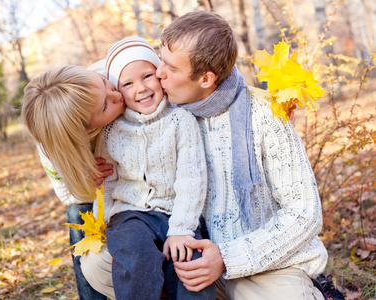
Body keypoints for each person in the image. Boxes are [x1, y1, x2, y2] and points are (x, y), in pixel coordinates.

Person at [153, 11, 329, 300]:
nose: (159, 73)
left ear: (206, 78)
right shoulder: (166, 113)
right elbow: (112, 78)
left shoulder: (266, 116)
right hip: (191, 259)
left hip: (264, 268)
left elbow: (305, 214)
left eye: (170, 68)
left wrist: (226, 258)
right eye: (161, 61)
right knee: (103, 264)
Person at [97, 36, 215, 299]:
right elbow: (109, 180)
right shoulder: (112, 130)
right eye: (127, 83)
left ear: (160, 75)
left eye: (147, 76)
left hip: (176, 212)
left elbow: (191, 178)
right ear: (117, 90)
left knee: (190, 263)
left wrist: (182, 229)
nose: (141, 88)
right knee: (136, 252)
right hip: (130, 214)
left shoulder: (180, 121)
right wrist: (103, 220)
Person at [21, 63, 125, 300]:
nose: (117, 95)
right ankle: (89, 294)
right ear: (85, 130)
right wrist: (87, 182)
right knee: (77, 212)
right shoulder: (54, 149)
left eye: (103, 83)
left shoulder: (110, 77)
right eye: (105, 106)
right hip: (99, 195)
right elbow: (66, 195)